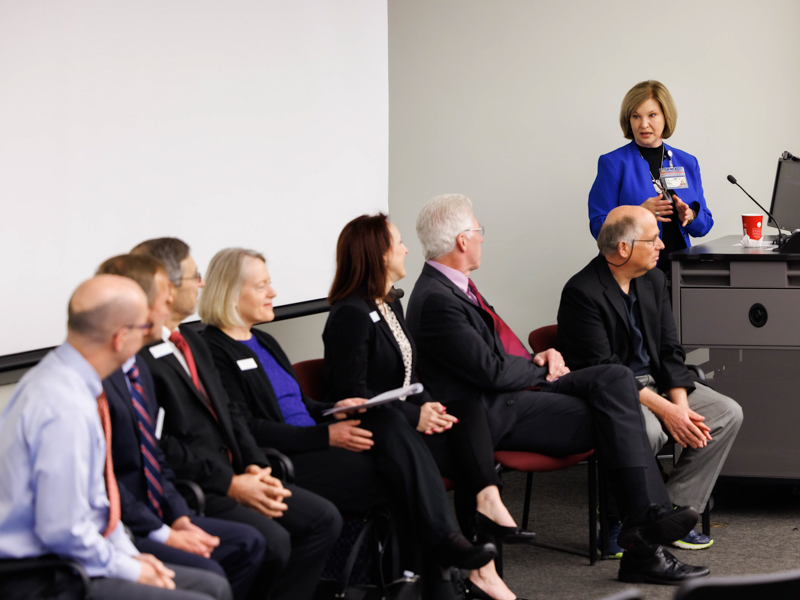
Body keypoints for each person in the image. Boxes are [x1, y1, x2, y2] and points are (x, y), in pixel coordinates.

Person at [405, 193, 710, 585]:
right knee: (616, 412)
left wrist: (539, 358)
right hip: (492, 414)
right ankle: (644, 533)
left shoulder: (454, 288)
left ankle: (643, 519)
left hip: (511, 396)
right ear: (462, 240)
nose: (482, 238)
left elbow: (493, 356)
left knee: (615, 381)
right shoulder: (436, 298)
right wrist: (540, 370)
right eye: (478, 231)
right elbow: (491, 372)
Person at [196, 247, 497, 577]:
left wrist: (333, 409)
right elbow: (249, 429)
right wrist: (326, 433)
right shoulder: (214, 350)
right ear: (230, 292)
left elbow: (299, 404)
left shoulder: (263, 340)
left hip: (316, 438)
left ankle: (436, 558)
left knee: (386, 417)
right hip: (289, 456)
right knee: (399, 474)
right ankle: (438, 562)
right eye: (261, 286)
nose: (273, 293)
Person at [323, 214, 527, 600]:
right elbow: (351, 398)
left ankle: (486, 513)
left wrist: (428, 408)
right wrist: (416, 416)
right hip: (377, 436)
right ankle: (471, 567)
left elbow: (410, 380)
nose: (405, 249)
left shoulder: (390, 306)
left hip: (402, 425)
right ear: (378, 255)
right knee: (470, 453)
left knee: (466, 410)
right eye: (397, 243)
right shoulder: (349, 314)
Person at [131, 238, 341, 600]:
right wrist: (231, 483)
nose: (201, 283)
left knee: (323, 519)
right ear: (165, 285)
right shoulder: (141, 356)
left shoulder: (191, 342)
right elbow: (159, 446)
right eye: (194, 276)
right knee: (271, 543)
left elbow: (230, 414)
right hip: (201, 486)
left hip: (239, 474)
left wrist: (257, 467)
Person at [0, 275, 232, 600]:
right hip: (40, 574)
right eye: (144, 327)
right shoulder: (64, 405)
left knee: (213, 586)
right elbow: (63, 530)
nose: (151, 334)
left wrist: (131, 555)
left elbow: (97, 502)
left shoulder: (71, 383)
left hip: (67, 558)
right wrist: (130, 568)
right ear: (121, 338)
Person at [558, 205, 743, 550]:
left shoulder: (654, 280)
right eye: (653, 239)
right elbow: (605, 371)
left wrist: (681, 407)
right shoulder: (582, 293)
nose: (662, 245)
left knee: (726, 413)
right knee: (649, 430)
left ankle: (672, 511)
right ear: (624, 248)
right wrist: (668, 412)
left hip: (655, 383)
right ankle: (619, 516)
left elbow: (671, 351)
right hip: (612, 392)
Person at [97, 254, 267, 600]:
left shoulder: (139, 367)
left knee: (248, 544)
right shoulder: (95, 382)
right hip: (126, 524)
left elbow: (153, 454)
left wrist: (178, 516)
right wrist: (163, 532)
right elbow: (105, 483)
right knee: (215, 576)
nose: (164, 312)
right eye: (161, 301)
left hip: (164, 505)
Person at [588, 80, 714, 275]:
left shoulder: (688, 162)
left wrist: (689, 216)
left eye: (652, 115)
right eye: (636, 116)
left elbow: (704, 225)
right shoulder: (613, 163)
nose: (643, 124)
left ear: (666, 116)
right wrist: (636, 214)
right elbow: (598, 227)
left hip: (680, 273)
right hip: (633, 275)